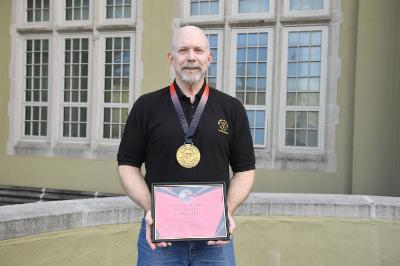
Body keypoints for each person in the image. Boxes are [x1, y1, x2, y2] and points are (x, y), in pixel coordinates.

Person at [117, 25, 255, 266]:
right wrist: (154, 211)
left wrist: (227, 212)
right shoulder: (146, 106)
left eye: (198, 50)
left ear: (209, 58)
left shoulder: (232, 109)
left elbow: (245, 170)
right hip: (161, 241)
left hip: (214, 243)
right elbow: (127, 165)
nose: (191, 57)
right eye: (183, 50)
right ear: (171, 58)